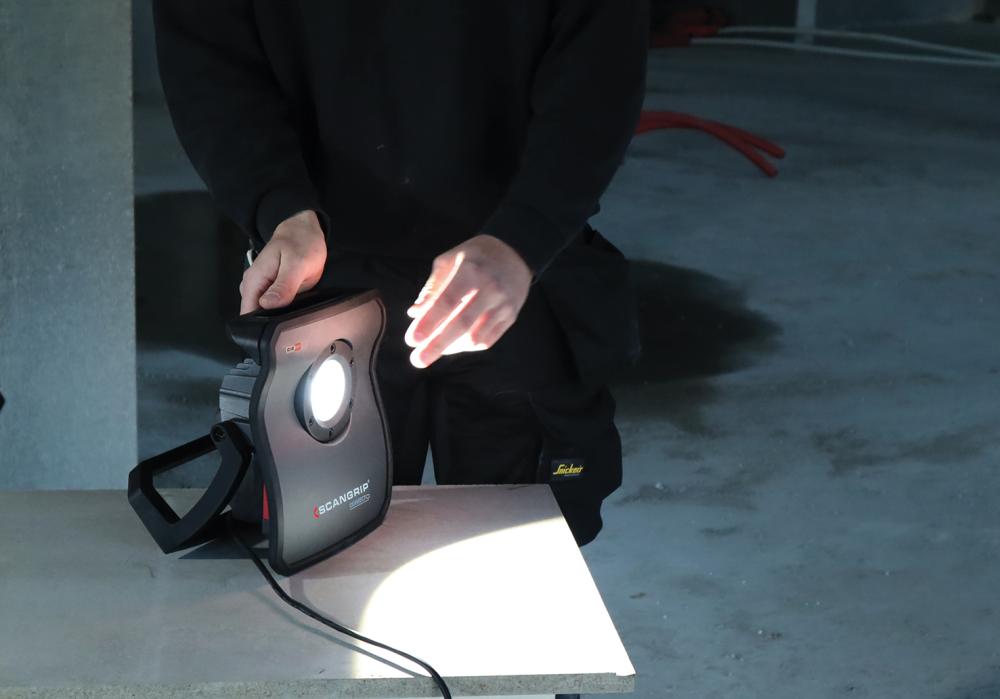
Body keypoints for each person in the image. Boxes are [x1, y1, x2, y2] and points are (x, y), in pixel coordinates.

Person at [153, 1, 648, 547]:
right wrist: (280, 210)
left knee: (523, 547)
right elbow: (210, 61)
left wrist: (525, 236)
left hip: (514, 276)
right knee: (325, 545)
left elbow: (599, 69)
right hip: (326, 273)